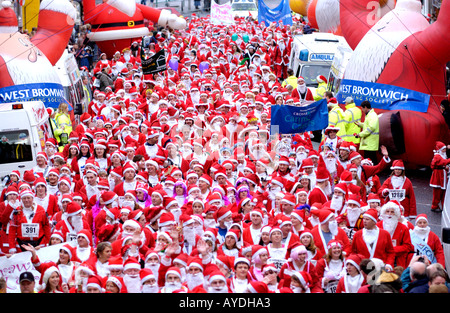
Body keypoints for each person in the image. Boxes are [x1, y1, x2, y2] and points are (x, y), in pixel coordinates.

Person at [429, 141, 450, 212]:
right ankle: (434, 206)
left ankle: (444, 206)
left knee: (443, 192)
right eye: (443, 149)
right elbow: (443, 162)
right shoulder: (437, 156)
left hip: (442, 176)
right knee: (437, 193)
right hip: (438, 177)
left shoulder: (442, 155)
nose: (445, 150)